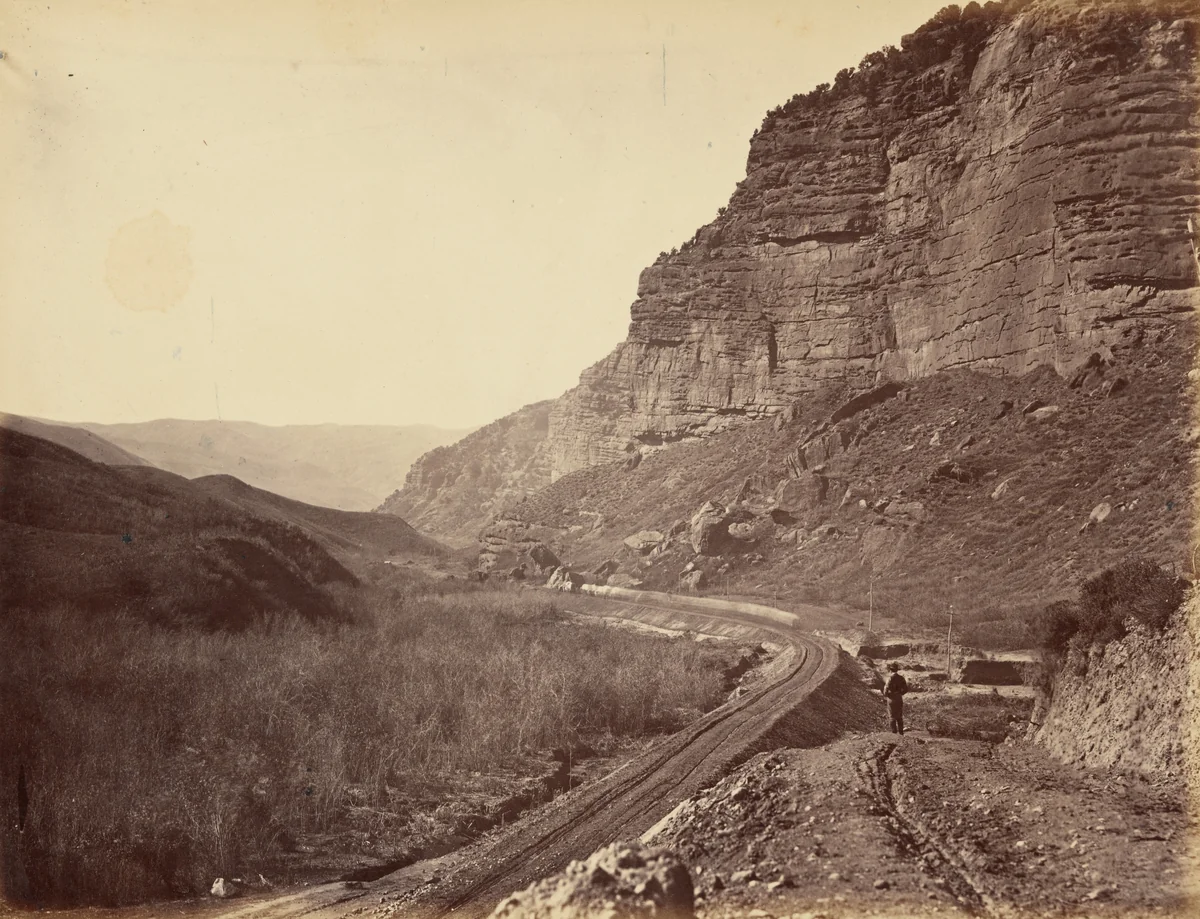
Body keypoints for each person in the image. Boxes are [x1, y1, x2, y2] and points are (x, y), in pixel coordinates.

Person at [883, 662, 909, 735]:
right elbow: (906, 689)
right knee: (899, 716)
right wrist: (900, 694)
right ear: (897, 670)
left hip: (891, 698)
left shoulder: (890, 678)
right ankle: (901, 733)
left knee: (892, 716)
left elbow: (885, 690)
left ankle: (894, 734)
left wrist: (887, 695)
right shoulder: (901, 678)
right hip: (899, 698)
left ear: (890, 670)